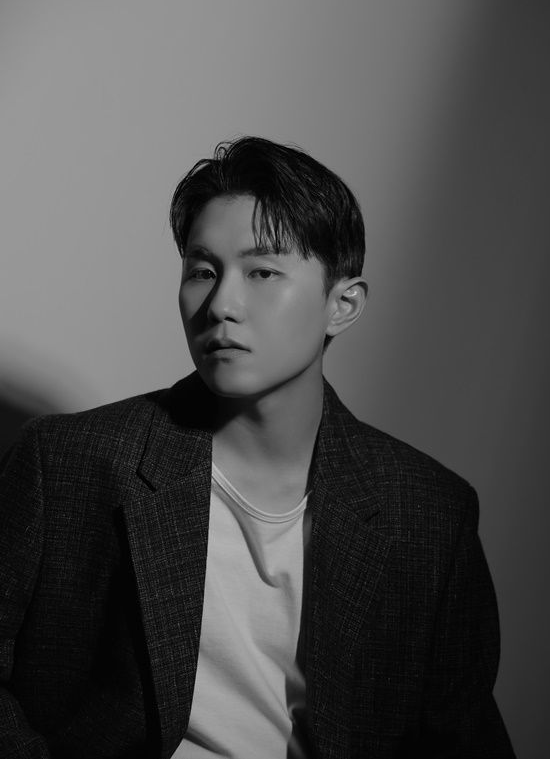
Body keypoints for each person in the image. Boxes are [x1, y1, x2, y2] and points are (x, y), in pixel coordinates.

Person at [0, 137, 515, 758]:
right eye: (202, 271)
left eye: (262, 272)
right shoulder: (70, 463)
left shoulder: (428, 515)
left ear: (342, 304)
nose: (221, 304)